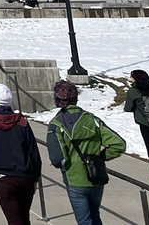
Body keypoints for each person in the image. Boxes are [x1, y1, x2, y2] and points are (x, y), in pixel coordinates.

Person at [47, 79, 126, 225]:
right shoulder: (91, 119)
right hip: (96, 176)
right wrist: (99, 158)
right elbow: (119, 144)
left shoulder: (56, 124)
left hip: (75, 179)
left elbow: (58, 159)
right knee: (95, 216)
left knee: (84, 221)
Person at [0, 83, 42, 225]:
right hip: (25, 176)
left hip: (2, 177)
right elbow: (34, 153)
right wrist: (35, 177)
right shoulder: (21, 121)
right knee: (23, 218)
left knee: (14, 220)